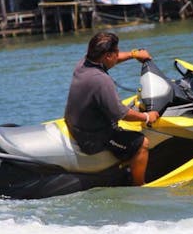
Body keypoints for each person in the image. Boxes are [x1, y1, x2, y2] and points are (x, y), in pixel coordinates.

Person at [64, 32, 159, 186]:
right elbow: (121, 113)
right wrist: (147, 117)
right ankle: (140, 186)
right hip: (93, 138)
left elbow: (114, 59)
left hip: (77, 124)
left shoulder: (84, 63)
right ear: (108, 56)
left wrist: (133, 54)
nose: (118, 55)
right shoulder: (101, 80)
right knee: (142, 143)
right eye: (116, 52)